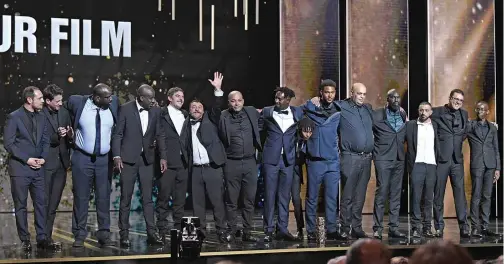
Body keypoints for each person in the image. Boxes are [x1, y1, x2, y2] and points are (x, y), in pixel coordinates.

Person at [112, 84, 167, 247]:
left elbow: (160, 134)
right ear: (141, 98)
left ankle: (152, 233)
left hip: (147, 160)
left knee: (148, 199)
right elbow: (118, 134)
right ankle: (124, 235)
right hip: (128, 159)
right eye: (150, 98)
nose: (153, 101)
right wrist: (116, 155)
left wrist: (163, 156)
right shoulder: (125, 109)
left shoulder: (156, 110)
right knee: (125, 198)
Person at [65, 83, 119, 247]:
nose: (111, 99)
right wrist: (68, 133)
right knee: (81, 198)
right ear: (96, 98)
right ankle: (79, 235)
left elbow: (117, 131)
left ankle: (104, 234)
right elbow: (62, 113)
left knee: (103, 197)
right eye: (107, 97)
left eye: (111, 96)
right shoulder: (77, 102)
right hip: (82, 158)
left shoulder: (114, 103)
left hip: (104, 160)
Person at [4, 86, 51, 250]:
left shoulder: (42, 117)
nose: (43, 101)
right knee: (21, 205)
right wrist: (27, 159)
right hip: (20, 169)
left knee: (41, 203)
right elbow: (9, 144)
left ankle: (42, 237)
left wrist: (43, 158)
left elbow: (46, 140)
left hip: (39, 168)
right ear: (29, 100)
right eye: (40, 98)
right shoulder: (14, 117)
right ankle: (25, 239)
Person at [188, 72, 230, 242]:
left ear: (204, 110)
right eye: (193, 107)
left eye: (199, 107)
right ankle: (200, 232)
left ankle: (221, 231)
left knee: (217, 202)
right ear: (188, 110)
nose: (197, 109)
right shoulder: (185, 124)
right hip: (196, 169)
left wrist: (218, 90)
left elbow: (217, 107)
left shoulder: (211, 119)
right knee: (197, 205)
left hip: (212, 167)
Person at [218, 86, 262, 242]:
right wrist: (218, 91)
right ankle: (231, 230)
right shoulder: (223, 115)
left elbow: (266, 117)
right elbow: (213, 111)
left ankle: (247, 232)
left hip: (250, 162)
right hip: (231, 163)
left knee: (249, 200)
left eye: (239, 100)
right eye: (233, 101)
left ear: (243, 101)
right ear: (229, 103)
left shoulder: (251, 112)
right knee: (231, 200)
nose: (236, 103)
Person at [260, 86, 304, 242]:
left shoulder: (297, 112)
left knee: (284, 196)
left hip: (288, 160)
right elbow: (259, 131)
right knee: (269, 195)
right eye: (276, 98)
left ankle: (283, 229)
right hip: (271, 159)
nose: (276, 101)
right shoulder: (267, 112)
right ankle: (268, 230)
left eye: (280, 98)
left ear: (288, 100)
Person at [303, 79, 344, 241]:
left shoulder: (338, 110)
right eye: (327, 92)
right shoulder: (310, 109)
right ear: (321, 92)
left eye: (332, 92)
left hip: (332, 161)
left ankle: (332, 229)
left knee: (332, 197)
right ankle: (311, 230)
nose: (330, 95)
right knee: (312, 197)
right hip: (315, 161)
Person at [336, 83, 374, 239]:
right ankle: (345, 227)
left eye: (364, 94)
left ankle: (357, 227)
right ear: (352, 93)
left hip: (366, 158)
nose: (362, 96)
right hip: (350, 157)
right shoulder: (341, 106)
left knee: (360, 195)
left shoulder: (367, 109)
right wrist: (316, 100)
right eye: (359, 93)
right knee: (348, 195)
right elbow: (325, 105)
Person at [431, 89, 470, 238]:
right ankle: (439, 226)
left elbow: (465, 132)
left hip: (457, 161)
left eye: (460, 100)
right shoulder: (437, 112)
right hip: (441, 160)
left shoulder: (464, 114)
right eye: (455, 99)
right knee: (438, 194)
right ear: (450, 98)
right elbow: (423, 114)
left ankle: (464, 226)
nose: (457, 102)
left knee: (460, 195)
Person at [371, 89, 407, 239]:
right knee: (382, 192)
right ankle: (378, 228)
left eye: (398, 98)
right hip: (383, 158)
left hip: (399, 158)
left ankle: (393, 227)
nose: (397, 100)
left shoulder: (402, 114)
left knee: (396, 194)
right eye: (393, 98)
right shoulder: (378, 114)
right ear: (388, 99)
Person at [41, 84, 72, 247]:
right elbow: (39, 138)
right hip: (46, 163)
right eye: (58, 101)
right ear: (48, 101)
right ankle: (42, 238)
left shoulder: (65, 113)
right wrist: (55, 136)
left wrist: (70, 136)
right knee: (44, 203)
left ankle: (47, 237)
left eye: (61, 100)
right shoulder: (39, 114)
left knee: (53, 203)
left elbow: (69, 137)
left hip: (61, 164)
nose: (61, 103)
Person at [157, 87, 190, 235]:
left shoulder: (185, 114)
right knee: (163, 197)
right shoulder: (161, 113)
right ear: (169, 98)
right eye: (177, 96)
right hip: (167, 163)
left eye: (182, 96)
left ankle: (178, 227)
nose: (181, 98)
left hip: (183, 163)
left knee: (180, 199)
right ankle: (162, 228)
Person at [466, 101, 501, 238]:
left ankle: (485, 226)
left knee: (487, 196)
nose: (480, 111)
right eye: (478, 109)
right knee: (476, 196)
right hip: (477, 164)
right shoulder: (471, 125)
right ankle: (475, 227)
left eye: (483, 109)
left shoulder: (492, 128)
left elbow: (496, 149)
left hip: (490, 165)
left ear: (487, 112)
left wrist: (498, 168)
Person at [405, 102, 439, 238]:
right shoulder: (411, 125)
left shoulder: (435, 126)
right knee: (416, 198)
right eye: (421, 110)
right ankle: (415, 227)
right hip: (417, 164)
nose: (423, 112)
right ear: (418, 111)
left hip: (431, 165)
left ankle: (427, 227)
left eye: (426, 110)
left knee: (429, 198)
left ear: (431, 112)